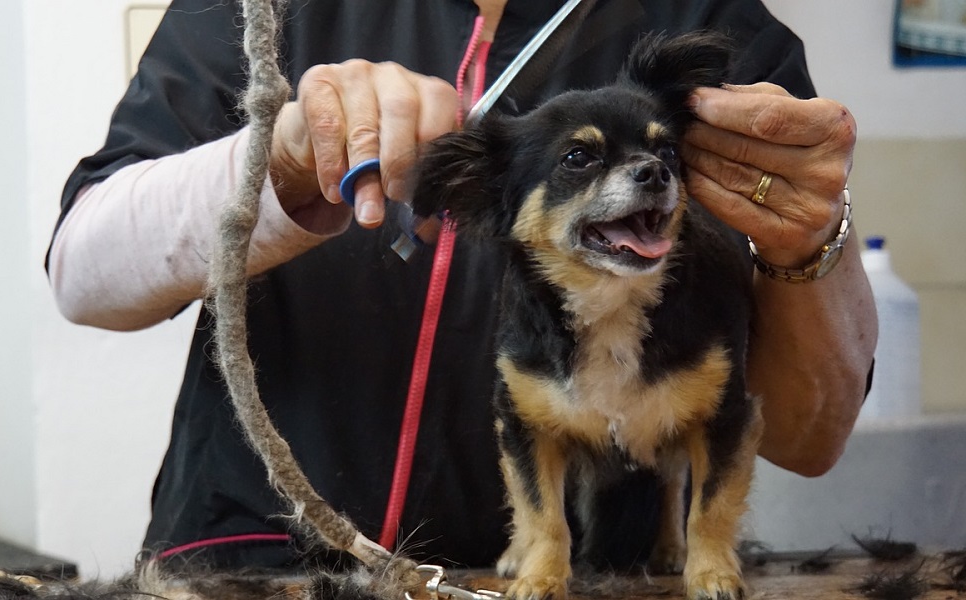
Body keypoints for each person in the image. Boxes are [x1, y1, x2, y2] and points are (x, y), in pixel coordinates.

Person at [47, 0, 877, 573]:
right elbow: (83, 274)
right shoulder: (268, 9)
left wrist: (812, 238)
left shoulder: (712, 32)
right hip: (255, 562)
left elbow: (810, 436)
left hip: (574, 578)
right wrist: (290, 155)